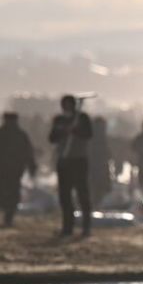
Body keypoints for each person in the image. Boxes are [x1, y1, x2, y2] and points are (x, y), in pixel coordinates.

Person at [49, 94, 93, 236]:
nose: (67, 107)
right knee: (65, 196)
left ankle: (86, 227)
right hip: (64, 160)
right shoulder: (59, 120)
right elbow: (52, 138)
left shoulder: (82, 118)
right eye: (65, 105)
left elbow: (88, 134)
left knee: (82, 194)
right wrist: (64, 131)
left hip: (79, 160)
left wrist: (76, 130)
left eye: (69, 104)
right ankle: (68, 227)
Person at [0, 112, 37, 227]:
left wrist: (31, 166)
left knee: (12, 194)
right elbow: (28, 152)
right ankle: (8, 217)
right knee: (9, 193)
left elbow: (28, 152)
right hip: (7, 170)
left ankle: (8, 218)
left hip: (14, 170)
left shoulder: (20, 135)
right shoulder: (17, 135)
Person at [88, 116, 112, 207]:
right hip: (96, 167)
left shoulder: (98, 137)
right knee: (97, 189)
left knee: (97, 189)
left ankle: (95, 206)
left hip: (99, 167)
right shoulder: (95, 138)